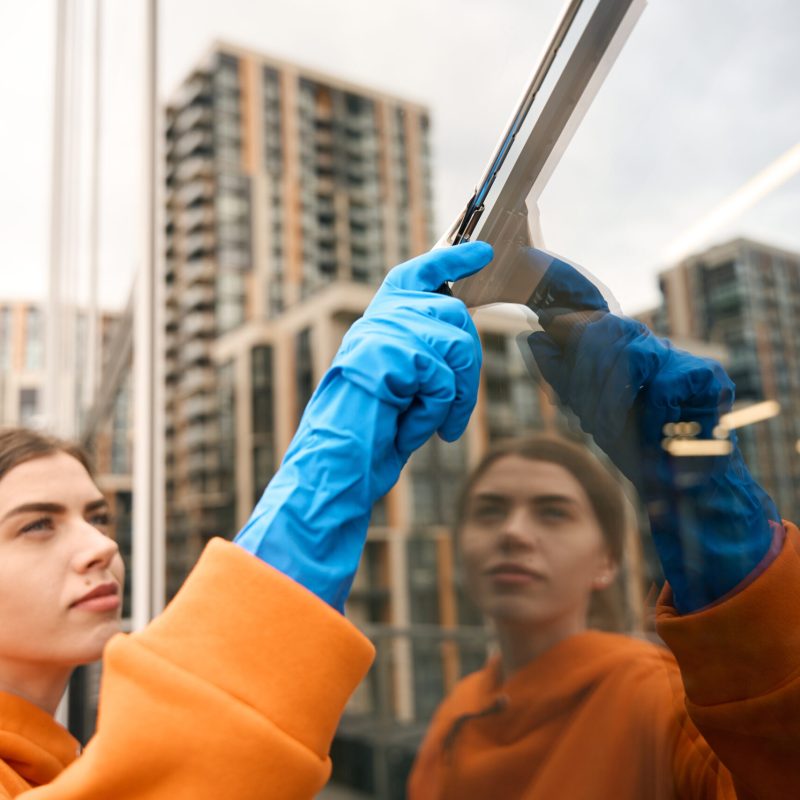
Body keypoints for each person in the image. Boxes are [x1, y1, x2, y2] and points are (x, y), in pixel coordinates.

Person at [0, 241, 494, 799]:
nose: (99, 547)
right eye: (37, 525)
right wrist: (325, 472)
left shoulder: (54, 767)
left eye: (98, 517)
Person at [408, 253, 800, 799]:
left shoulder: (661, 699)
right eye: (490, 510)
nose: (514, 533)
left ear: (608, 559)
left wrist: (713, 510)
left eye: (553, 512)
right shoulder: (460, 707)